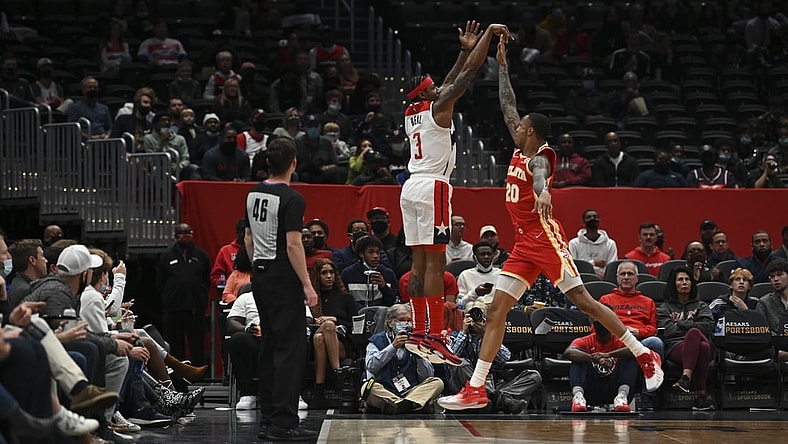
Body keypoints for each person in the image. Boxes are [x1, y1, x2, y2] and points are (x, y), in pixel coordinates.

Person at [438, 37, 662, 411]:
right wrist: (503, 65)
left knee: (584, 301)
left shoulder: (540, 157)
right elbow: (507, 104)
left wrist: (543, 192)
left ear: (531, 132)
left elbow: (540, 176)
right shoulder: (519, 144)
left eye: (522, 124)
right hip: (524, 242)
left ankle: (642, 355)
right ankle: (476, 387)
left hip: (546, 237)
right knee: (497, 310)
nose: (517, 123)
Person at [400, 21, 510, 368]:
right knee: (437, 262)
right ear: (427, 96)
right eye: (433, 88)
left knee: (418, 263)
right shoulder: (439, 108)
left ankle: (419, 330)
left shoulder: (412, 113)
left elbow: (448, 83)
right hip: (433, 185)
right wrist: (487, 39)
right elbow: (466, 77)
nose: (439, 88)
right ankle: (434, 334)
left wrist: (463, 49)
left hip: (410, 186)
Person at [245, 137, 318, 440]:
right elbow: (292, 243)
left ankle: (267, 419)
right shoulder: (292, 198)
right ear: (293, 163)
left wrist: (259, 267)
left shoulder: (252, 194)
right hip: (283, 276)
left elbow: (248, 239)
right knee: (290, 350)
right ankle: (283, 423)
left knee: (270, 347)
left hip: (260, 273)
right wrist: (307, 284)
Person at [446, 301, 540, 414]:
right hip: (464, 385)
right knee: (461, 363)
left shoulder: (492, 334)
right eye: (470, 315)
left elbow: (505, 358)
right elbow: (450, 358)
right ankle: (498, 399)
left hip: (493, 382)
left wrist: (486, 335)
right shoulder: (456, 335)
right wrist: (464, 332)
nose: (474, 319)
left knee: (534, 376)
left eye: (478, 315)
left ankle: (495, 399)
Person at [361, 304, 444, 414]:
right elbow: (371, 367)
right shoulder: (376, 340)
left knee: (437, 382)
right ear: (391, 323)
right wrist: (393, 347)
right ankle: (411, 405)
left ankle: (397, 406)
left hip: (411, 390)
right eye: (402, 320)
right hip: (386, 390)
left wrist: (418, 354)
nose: (406, 324)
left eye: (409, 320)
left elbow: (427, 376)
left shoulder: (418, 341)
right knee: (367, 387)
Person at [657, 267, 716, 410]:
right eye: (680, 279)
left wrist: (681, 324)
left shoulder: (701, 305)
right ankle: (700, 396)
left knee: (695, 335)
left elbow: (709, 326)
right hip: (676, 347)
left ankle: (686, 378)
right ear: (674, 284)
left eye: (687, 279)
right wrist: (691, 326)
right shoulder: (664, 308)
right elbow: (668, 331)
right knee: (703, 346)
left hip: (695, 339)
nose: (685, 282)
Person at [156, 223, 210, 366]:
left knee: (197, 344)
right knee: (174, 344)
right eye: (182, 233)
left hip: (195, 308)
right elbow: (160, 282)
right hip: (173, 307)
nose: (186, 235)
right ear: (176, 236)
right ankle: (176, 374)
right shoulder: (166, 256)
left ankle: (200, 374)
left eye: (189, 232)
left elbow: (206, 280)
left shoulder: (201, 255)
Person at [307, 258, 358, 408]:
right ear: (317, 276)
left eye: (332, 272)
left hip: (342, 343)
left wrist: (335, 319)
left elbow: (355, 325)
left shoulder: (345, 298)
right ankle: (339, 374)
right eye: (324, 273)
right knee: (319, 338)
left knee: (328, 327)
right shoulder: (311, 298)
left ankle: (319, 390)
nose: (329, 276)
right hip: (313, 342)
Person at [564, 316, 638, 412]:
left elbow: (636, 349)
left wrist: (608, 355)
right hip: (592, 389)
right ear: (593, 325)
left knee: (630, 355)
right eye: (598, 321)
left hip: (615, 387)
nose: (602, 324)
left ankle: (621, 398)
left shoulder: (620, 340)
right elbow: (568, 352)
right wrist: (593, 358)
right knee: (577, 356)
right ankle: (578, 398)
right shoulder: (585, 340)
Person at [340, 235, 398, 309]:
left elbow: (393, 302)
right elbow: (344, 301)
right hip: (357, 315)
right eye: (371, 252)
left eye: (378, 252)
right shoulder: (347, 273)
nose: (375, 256)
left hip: (383, 315)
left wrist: (383, 287)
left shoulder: (388, 273)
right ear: (361, 254)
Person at [568, 209, 618, 278]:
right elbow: (573, 267)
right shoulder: (574, 243)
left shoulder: (610, 244)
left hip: (604, 281)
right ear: (584, 223)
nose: (592, 219)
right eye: (589, 217)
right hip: (581, 281)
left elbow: (611, 268)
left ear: (599, 222)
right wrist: (594, 263)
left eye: (595, 217)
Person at [755, 260, 788, 363]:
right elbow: (760, 331)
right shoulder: (764, 302)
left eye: (779, 275)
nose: (776, 279)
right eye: (772, 276)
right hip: (775, 347)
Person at [456, 241, 501, 308]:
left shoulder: (501, 274)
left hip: (497, 311)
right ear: (474, 257)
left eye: (489, 254)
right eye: (482, 254)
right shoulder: (465, 275)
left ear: (493, 256)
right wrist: (475, 293)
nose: (486, 257)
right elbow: (460, 304)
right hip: (473, 312)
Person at [7, 238, 48, 309]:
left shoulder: (18, 282)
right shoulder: (26, 290)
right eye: (42, 256)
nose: (46, 261)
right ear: (32, 260)